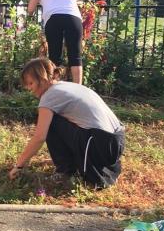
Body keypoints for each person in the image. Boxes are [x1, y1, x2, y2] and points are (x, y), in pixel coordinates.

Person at [8, 57, 124, 189]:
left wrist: (19, 165)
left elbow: (39, 137)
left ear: (43, 78)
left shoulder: (49, 96)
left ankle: (65, 172)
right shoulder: (68, 86)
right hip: (117, 141)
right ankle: (71, 162)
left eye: (31, 83)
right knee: (57, 119)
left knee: (51, 123)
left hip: (99, 142)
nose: (29, 89)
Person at [27, 0, 94, 84]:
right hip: (73, 17)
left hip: (53, 19)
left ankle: (55, 86)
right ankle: (77, 88)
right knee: (75, 55)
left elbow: (31, 8)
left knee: (54, 56)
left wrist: (31, 13)